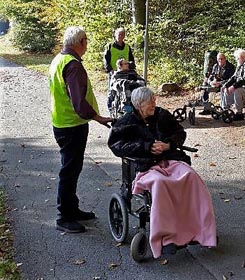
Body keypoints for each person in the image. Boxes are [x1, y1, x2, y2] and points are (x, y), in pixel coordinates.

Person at [107, 86, 217, 258]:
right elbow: (116, 145)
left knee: (191, 177)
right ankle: (166, 238)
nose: (153, 104)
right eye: (149, 102)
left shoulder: (162, 115)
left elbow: (180, 133)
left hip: (170, 160)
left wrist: (168, 145)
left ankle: (200, 230)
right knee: (160, 184)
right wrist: (146, 147)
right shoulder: (126, 121)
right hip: (144, 166)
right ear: (138, 105)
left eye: (154, 101)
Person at [49, 26, 112, 233]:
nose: (87, 44)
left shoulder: (59, 59)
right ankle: (63, 217)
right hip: (71, 126)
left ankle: (72, 209)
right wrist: (98, 118)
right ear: (80, 42)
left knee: (71, 168)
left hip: (63, 123)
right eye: (86, 40)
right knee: (69, 170)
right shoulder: (73, 66)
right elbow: (78, 102)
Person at [220, 49, 245, 121]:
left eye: (237, 58)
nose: (236, 60)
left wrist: (234, 86)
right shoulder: (240, 65)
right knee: (225, 88)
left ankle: (239, 114)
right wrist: (226, 85)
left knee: (237, 90)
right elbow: (234, 77)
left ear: (242, 57)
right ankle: (225, 110)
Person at [103, 28, 136, 110]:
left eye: (122, 34)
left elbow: (131, 59)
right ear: (115, 35)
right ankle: (111, 107)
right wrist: (110, 70)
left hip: (126, 72)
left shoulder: (127, 47)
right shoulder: (110, 46)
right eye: (119, 34)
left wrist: (132, 67)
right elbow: (106, 59)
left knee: (127, 87)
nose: (120, 36)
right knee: (112, 90)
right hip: (114, 72)